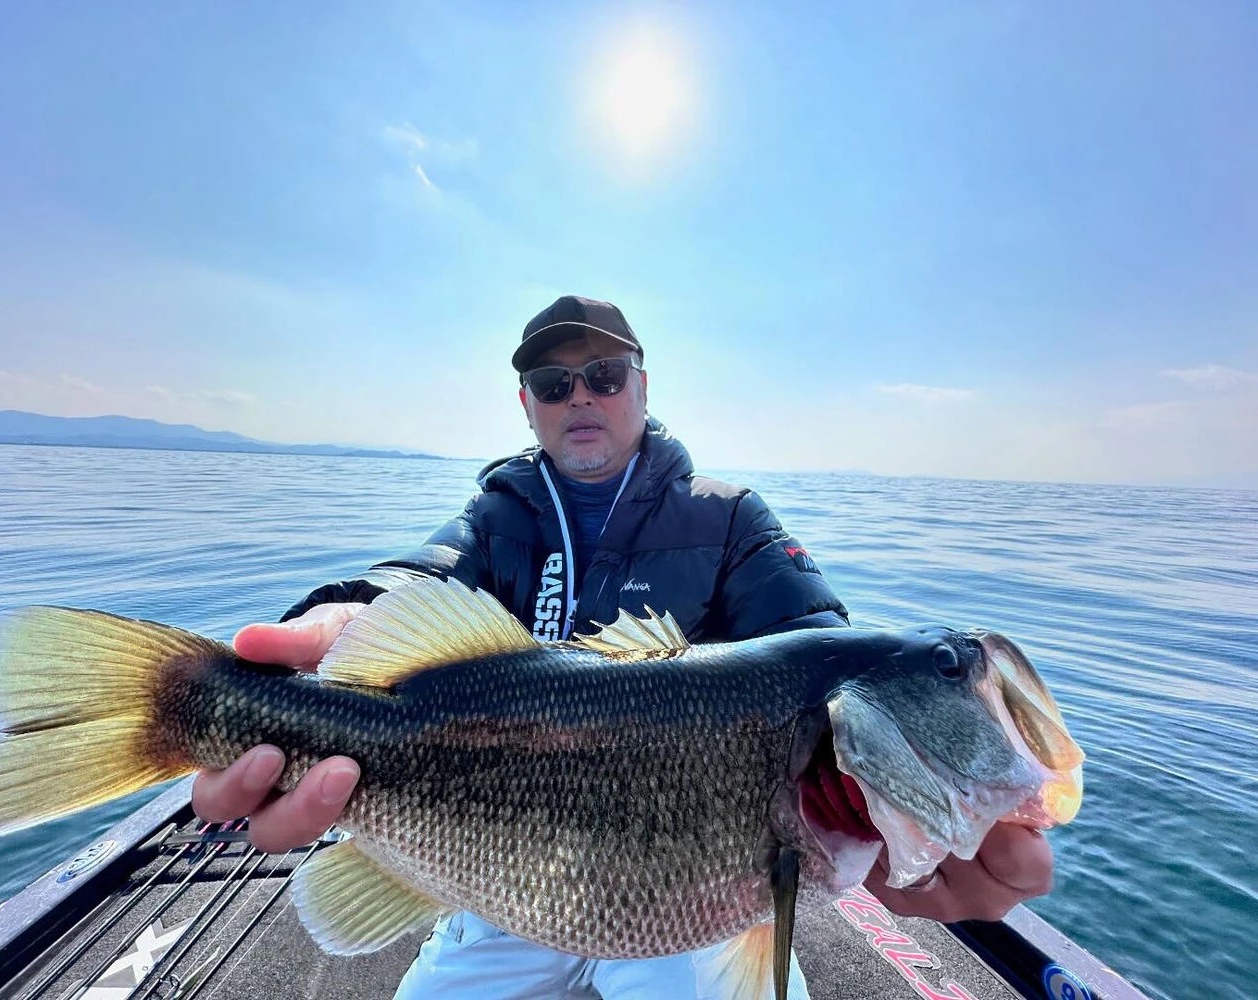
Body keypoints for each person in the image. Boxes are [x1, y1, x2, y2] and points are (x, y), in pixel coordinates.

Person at [193, 295, 1055, 998]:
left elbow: (813, 646)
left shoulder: (728, 517)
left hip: (700, 897)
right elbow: (411, 583)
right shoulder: (496, 519)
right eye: (552, 382)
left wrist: (893, 812)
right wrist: (333, 623)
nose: (580, 397)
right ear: (526, 404)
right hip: (494, 876)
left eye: (602, 376)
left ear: (640, 386)